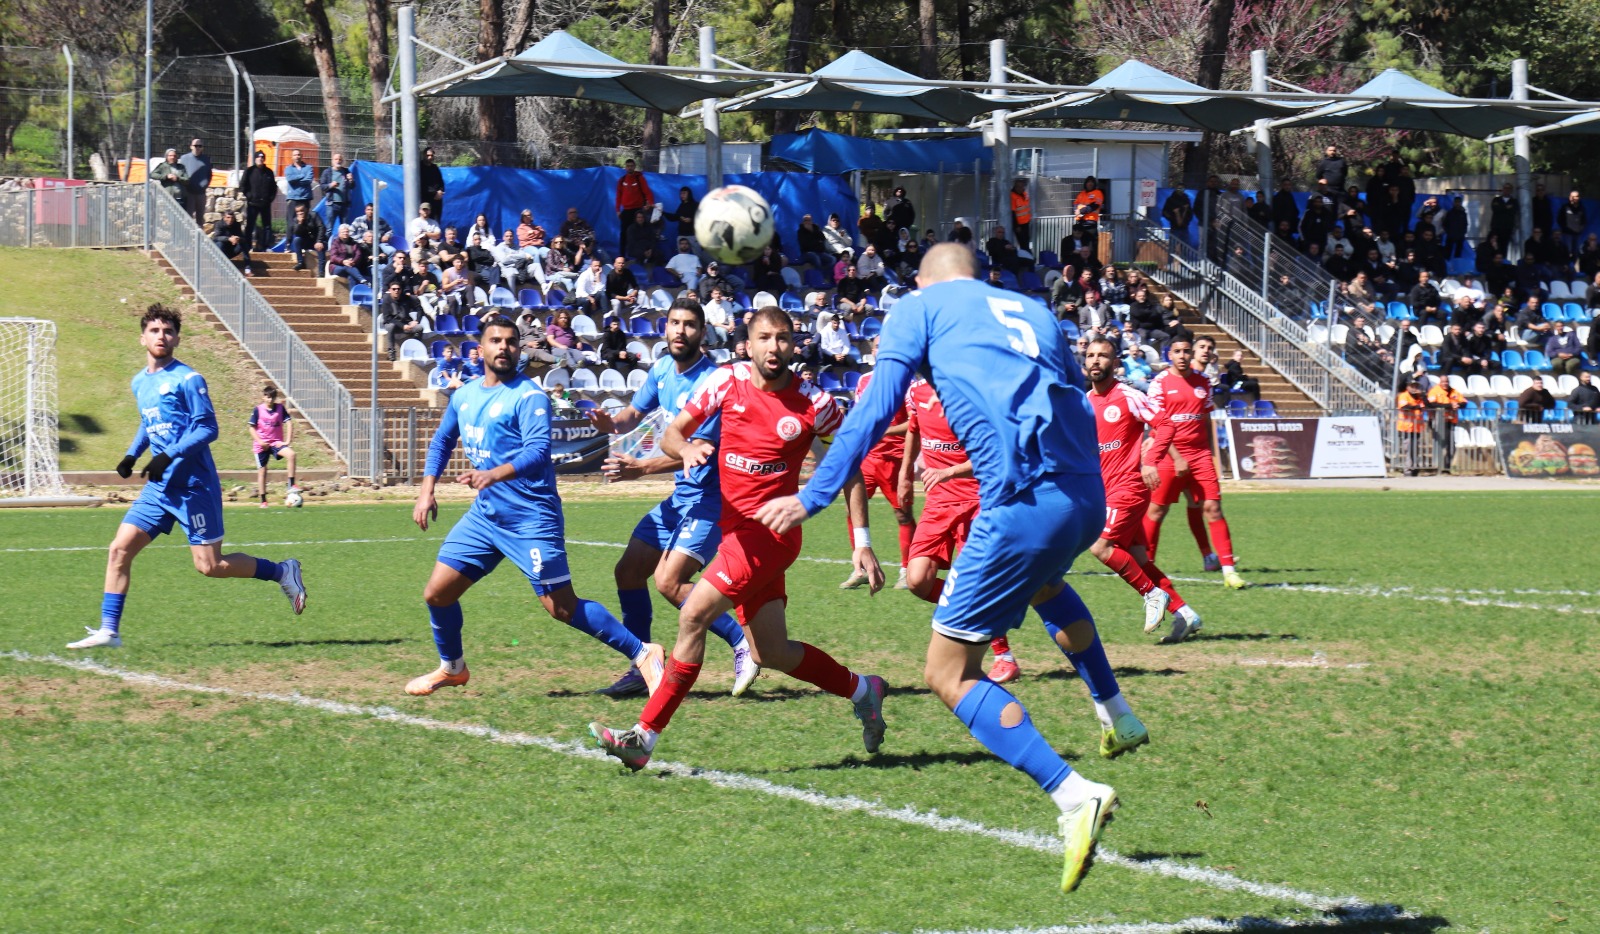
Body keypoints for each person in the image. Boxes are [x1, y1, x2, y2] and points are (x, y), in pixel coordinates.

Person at [756, 244, 1132, 894]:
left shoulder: (919, 308)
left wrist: (814, 495)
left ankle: (1075, 795)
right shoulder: (1032, 310)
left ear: (924, 281)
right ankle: (1116, 712)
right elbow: (1073, 397)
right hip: (1083, 495)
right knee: (1046, 585)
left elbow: (874, 409)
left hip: (1018, 502)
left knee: (947, 672)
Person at [591, 308, 887, 772]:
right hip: (735, 531)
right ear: (747, 343)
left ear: (794, 344)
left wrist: (862, 541)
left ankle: (643, 737)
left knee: (693, 614)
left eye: (783, 338)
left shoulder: (814, 403)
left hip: (771, 535)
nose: (774, 347)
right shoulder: (725, 382)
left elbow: (849, 467)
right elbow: (673, 433)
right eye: (764, 337)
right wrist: (686, 448)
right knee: (773, 652)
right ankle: (864, 689)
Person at [403, 315, 663, 695]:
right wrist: (426, 491)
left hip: (531, 518)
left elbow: (538, 451)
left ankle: (643, 653)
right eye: (496, 341)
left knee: (562, 607)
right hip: (486, 517)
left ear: (518, 348)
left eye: (511, 341)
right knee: (438, 594)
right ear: (481, 348)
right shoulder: (465, 396)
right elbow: (442, 441)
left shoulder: (529, 396)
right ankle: (452, 668)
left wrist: (493, 474)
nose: (504, 347)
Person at [68, 305, 306, 650]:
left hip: (194, 487)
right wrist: (132, 455)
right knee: (119, 549)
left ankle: (283, 571)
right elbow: (149, 422)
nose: (161, 336)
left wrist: (168, 455)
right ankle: (109, 631)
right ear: (142, 338)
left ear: (177, 339)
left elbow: (208, 428)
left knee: (211, 566)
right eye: (154, 330)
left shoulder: (189, 379)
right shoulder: (139, 382)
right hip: (159, 488)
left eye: (168, 331)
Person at [585, 299, 761, 697]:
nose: (680, 330)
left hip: (711, 498)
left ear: (702, 332)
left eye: (690, 324)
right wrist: (610, 421)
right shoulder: (662, 368)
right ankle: (642, 665)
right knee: (628, 572)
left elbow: (699, 451)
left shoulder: (713, 382)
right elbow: (632, 415)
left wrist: (642, 468)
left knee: (669, 581)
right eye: (674, 323)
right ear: (664, 328)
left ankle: (742, 643)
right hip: (682, 497)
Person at [893, 376, 1020, 681]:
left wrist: (950, 471)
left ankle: (1004, 656)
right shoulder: (917, 391)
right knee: (917, 581)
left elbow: (996, 454)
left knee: (971, 581)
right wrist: (905, 475)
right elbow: (914, 429)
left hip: (976, 499)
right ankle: (977, 609)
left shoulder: (974, 389)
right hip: (938, 502)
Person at [1081, 337, 1205, 643]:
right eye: (1091, 355)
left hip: (1129, 487)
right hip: (1104, 491)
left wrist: (1151, 461)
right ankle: (1185, 614)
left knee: (1100, 547)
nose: (1095, 360)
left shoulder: (1128, 396)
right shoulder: (1085, 401)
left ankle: (1152, 594)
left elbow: (1166, 424)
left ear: (1115, 363)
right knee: (1138, 558)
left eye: (1103, 356)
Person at [1141, 333, 1246, 589]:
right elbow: (1158, 426)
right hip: (1168, 455)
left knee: (1213, 508)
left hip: (1199, 455)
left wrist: (1210, 454)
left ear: (1191, 354)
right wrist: (1177, 458)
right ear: (1170, 355)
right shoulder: (1159, 383)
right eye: (1177, 352)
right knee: (1157, 510)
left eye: (1186, 351)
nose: (1183, 356)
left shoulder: (1203, 382)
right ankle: (1145, 567)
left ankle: (1228, 571)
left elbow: (1206, 420)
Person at [838, 342, 917, 592]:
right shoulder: (864, 381)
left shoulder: (908, 383)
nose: (881, 350)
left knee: (903, 514)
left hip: (895, 458)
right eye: (877, 346)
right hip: (868, 457)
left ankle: (907, 570)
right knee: (852, 509)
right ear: (872, 352)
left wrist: (885, 431)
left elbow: (914, 423)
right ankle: (860, 568)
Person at [249, 385, 300, 507]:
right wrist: (260, 442)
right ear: (263, 397)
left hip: (276, 443)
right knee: (262, 471)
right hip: (262, 445)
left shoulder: (280, 408)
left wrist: (287, 441)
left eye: (272, 397)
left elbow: (289, 422)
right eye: (268, 397)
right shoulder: (258, 410)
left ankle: (291, 485)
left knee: (291, 455)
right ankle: (263, 501)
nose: (270, 400)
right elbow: (251, 428)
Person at [378, 280, 429, 360]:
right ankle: (391, 351)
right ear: (390, 290)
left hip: (406, 322)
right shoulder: (386, 299)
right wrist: (402, 326)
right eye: (394, 289)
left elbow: (419, 309)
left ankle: (414, 347)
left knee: (419, 328)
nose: (396, 291)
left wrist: (416, 321)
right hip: (393, 323)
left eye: (398, 289)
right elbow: (387, 318)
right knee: (391, 326)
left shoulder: (406, 298)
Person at [240, 150, 278, 252]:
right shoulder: (249, 171)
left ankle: (266, 246)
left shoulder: (269, 172)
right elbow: (243, 186)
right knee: (250, 225)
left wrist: (270, 199)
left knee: (267, 226)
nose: (260, 159)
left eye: (262, 157)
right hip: (253, 204)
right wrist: (250, 196)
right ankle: (248, 246)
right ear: (255, 159)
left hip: (265, 204)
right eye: (258, 157)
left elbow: (274, 187)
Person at [615, 158, 655, 246]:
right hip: (626, 210)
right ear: (625, 167)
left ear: (634, 167)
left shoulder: (639, 178)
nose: (630, 168)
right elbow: (618, 196)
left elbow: (647, 192)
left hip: (638, 210)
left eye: (631, 166)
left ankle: (641, 252)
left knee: (640, 232)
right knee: (624, 233)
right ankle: (622, 253)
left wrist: (650, 203)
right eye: (628, 166)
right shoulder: (622, 180)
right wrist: (617, 210)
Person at [1396, 378, 1428, 475]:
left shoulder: (1418, 398)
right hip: (1405, 428)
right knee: (1408, 449)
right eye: (1412, 386)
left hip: (1416, 428)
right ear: (1407, 387)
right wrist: (1417, 407)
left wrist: (1423, 395)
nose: (1414, 388)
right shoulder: (1403, 395)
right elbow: (1405, 407)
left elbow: (1426, 405)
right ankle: (1408, 469)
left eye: (1416, 386)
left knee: (1415, 449)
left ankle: (1414, 468)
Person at [178, 138, 213, 226]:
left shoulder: (206, 159)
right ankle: (187, 234)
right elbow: (180, 173)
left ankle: (199, 235)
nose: (197, 148)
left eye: (199, 146)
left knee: (200, 219)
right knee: (188, 218)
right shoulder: (184, 158)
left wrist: (205, 185)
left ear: (202, 148)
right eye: (195, 146)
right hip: (188, 193)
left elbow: (209, 174)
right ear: (191, 146)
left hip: (201, 193)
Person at [287, 203, 327, 275]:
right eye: (297, 211)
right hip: (307, 241)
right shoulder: (296, 220)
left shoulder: (314, 215)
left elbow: (321, 227)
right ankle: (300, 262)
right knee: (297, 240)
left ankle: (321, 271)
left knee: (320, 247)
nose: (300, 213)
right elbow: (296, 233)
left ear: (306, 210)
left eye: (302, 210)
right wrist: (300, 223)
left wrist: (319, 241)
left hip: (318, 240)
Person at [212, 210, 252, 276]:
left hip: (231, 249)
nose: (230, 220)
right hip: (220, 251)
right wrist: (229, 239)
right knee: (219, 243)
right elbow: (216, 238)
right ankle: (219, 267)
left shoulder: (236, 224)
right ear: (224, 217)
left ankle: (248, 269)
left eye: (232, 218)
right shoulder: (219, 224)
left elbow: (242, 237)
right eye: (228, 217)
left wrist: (238, 238)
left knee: (243, 243)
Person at [320, 152, 351, 228]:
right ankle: (328, 237)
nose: (338, 161)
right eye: (336, 159)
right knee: (329, 228)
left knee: (345, 227)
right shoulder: (327, 172)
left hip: (344, 204)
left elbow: (352, 186)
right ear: (332, 161)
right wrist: (331, 185)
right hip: (331, 204)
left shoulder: (346, 171)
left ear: (342, 161)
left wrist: (351, 180)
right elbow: (322, 186)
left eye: (340, 159)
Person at [283, 150, 314, 222]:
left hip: (305, 197)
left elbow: (308, 180)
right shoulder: (288, 168)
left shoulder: (308, 168)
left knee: (305, 221)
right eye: (295, 155)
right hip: (293, 198)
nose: (297, 156)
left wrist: (295, 181)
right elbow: (290, 179)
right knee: (291, 222)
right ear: (292, 157)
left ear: (301, 156)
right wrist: (302, 175)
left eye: (298, 155)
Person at [1557, 190, 1588, 261]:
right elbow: (1559, 219)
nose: (1574, 198)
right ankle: (1567, 265)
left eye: (1576, 196)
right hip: (1567, 234)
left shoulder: (1581, 208)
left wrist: (1580, 229)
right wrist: (1565, 228)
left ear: (1579, 197)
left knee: (1577, 251)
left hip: (1577, 235)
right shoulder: (1565, 207)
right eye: (1572, 196)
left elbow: (1584, 220)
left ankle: (1574, 265)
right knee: (1567, 251)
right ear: (1570, 197)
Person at [420, 147, 445, 221]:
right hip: (425, 199)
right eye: (428, 155)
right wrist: (434, 193)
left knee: (436, 220)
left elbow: (441, 182)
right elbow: (422, 185)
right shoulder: (419, 167)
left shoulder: (435, 168)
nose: (430, 157)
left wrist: (440, 191)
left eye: (431, 155)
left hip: (437, 199)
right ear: (424, 155)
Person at [1009, 178, 1033, 253]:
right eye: (1019, 187)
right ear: (1015, 187)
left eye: (1022, 186)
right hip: (1019, 225)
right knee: (1023, 244)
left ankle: (1027, 256)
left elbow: (1026, 207)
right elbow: (1013, 212)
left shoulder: (1024, 194)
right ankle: (1027, 257)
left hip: (1026, 223)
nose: (1021, 188)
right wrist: (1016, 226)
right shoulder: (1013, 196)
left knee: (1026, 242)